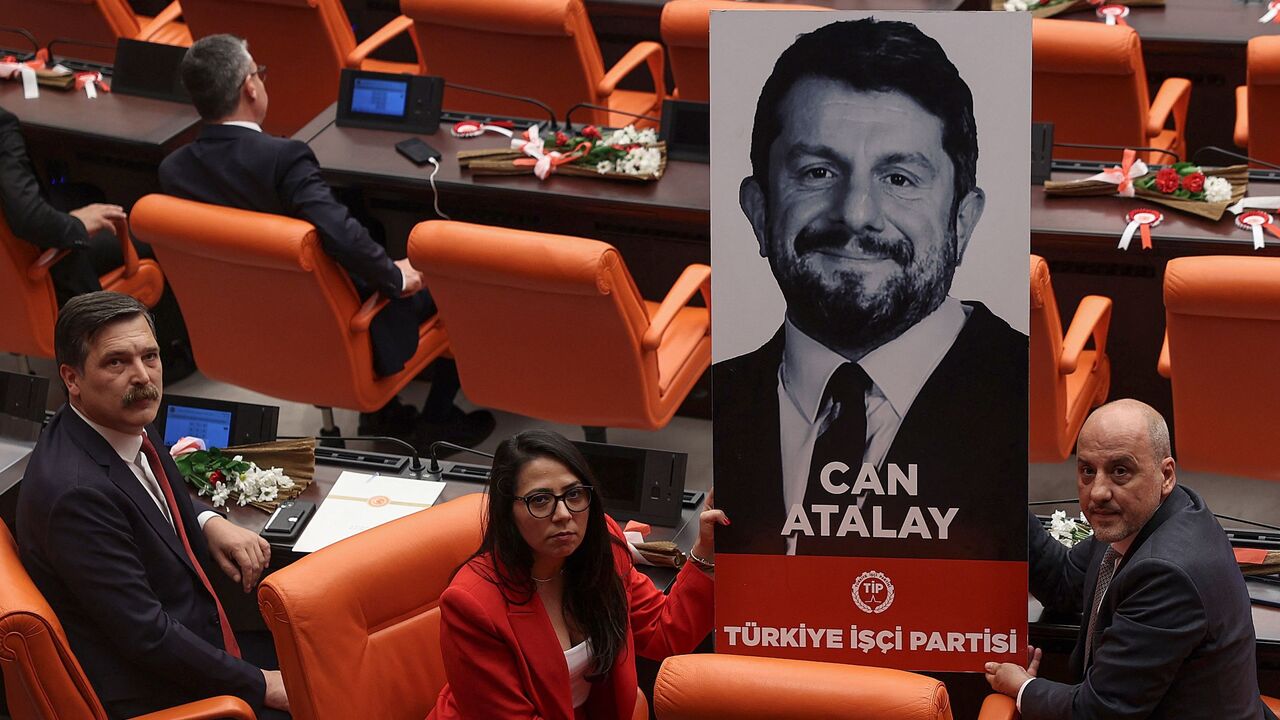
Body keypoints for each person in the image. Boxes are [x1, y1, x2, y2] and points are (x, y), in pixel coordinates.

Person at [714, 17, 1026, 559]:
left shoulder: (1024, 395)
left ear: (962, 220)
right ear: (759, 211)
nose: (856, 213)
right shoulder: (722, 399)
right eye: (817, 172)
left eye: (899, 178)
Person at [157, 34, 492, 448]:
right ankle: (437, 418)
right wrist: (395, 276)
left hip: (250, 325)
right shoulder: (283, 158)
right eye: (259, 73)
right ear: (250, 87)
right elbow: (338, 234)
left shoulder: (175, 170)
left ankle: (383, 414)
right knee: (451, 274)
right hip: (330, 326)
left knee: (366, 223)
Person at [16, 291, 289, 719]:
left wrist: (207, 520)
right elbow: (148, 637)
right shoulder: (77, 496)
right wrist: (262, 683)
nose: (142, 376)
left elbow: (148, 489)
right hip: (164, 690)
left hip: (195, 631)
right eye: (116, 362)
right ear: (72, 378)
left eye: (150, 356)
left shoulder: (116, 418)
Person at [985, 400, 1273, 719]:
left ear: (1166, 475)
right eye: (1087, 471)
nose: (1098, 492)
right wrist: (1006, 496)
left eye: (1120, 471)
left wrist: (1024, 688)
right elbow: (1064, 582)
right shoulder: (1145, 515)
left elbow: (1101, 711)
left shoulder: (1166, 574)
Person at [430, 430, 726, 719]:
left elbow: (663, 631)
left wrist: (706, 550)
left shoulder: (602, 544)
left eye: (573, 494)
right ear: (507, 512)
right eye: (540, 500)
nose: (563, 514)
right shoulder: (471, 604)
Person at [0, 104, 127, 303]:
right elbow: (30, 219)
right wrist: (77, 224)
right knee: (154, 241)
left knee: (88, 194)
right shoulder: (2, 124)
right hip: (30, 276)